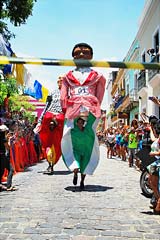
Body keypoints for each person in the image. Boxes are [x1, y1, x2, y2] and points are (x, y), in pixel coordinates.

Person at [60, 42, 106, 190]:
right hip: (73, 110)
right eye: (77, 52)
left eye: (85, 52)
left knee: (88, 142)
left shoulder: (98, 76)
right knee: (69, 138)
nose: (81, 55)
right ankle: (74, 167)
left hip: (90, 110)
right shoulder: (67, 76)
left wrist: (95, 106)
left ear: (91, 56)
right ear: (72, 56)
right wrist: (64, 109)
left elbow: (100, 95)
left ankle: (83, 174)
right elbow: (63, 96)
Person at [34, 76, 64, 174]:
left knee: (57, 143)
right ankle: (49, 164)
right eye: (59, 81)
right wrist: (40, 120)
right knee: (46, 141)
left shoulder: (68, 93)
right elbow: (46, 106)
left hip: (60, 116)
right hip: (49, 114)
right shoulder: (52, 92)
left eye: (62, 81)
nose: (60, 83)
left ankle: (52, 164)